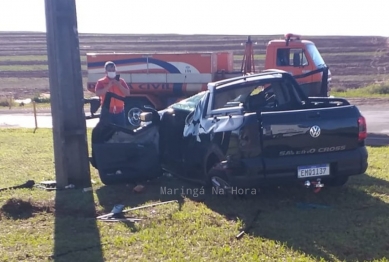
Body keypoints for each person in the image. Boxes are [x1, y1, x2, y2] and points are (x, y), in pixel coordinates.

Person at [95, 61, 130, 126]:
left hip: (120, 111)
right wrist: (108, 86)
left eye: (113, 70)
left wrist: (119, 85)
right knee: (107, 131)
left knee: (121, 131)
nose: (112, 72)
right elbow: (98, 93)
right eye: (109, 70)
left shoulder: (121, 81)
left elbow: (127, 93)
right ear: (106, 71)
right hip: (107, 111)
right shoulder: (101, 82)